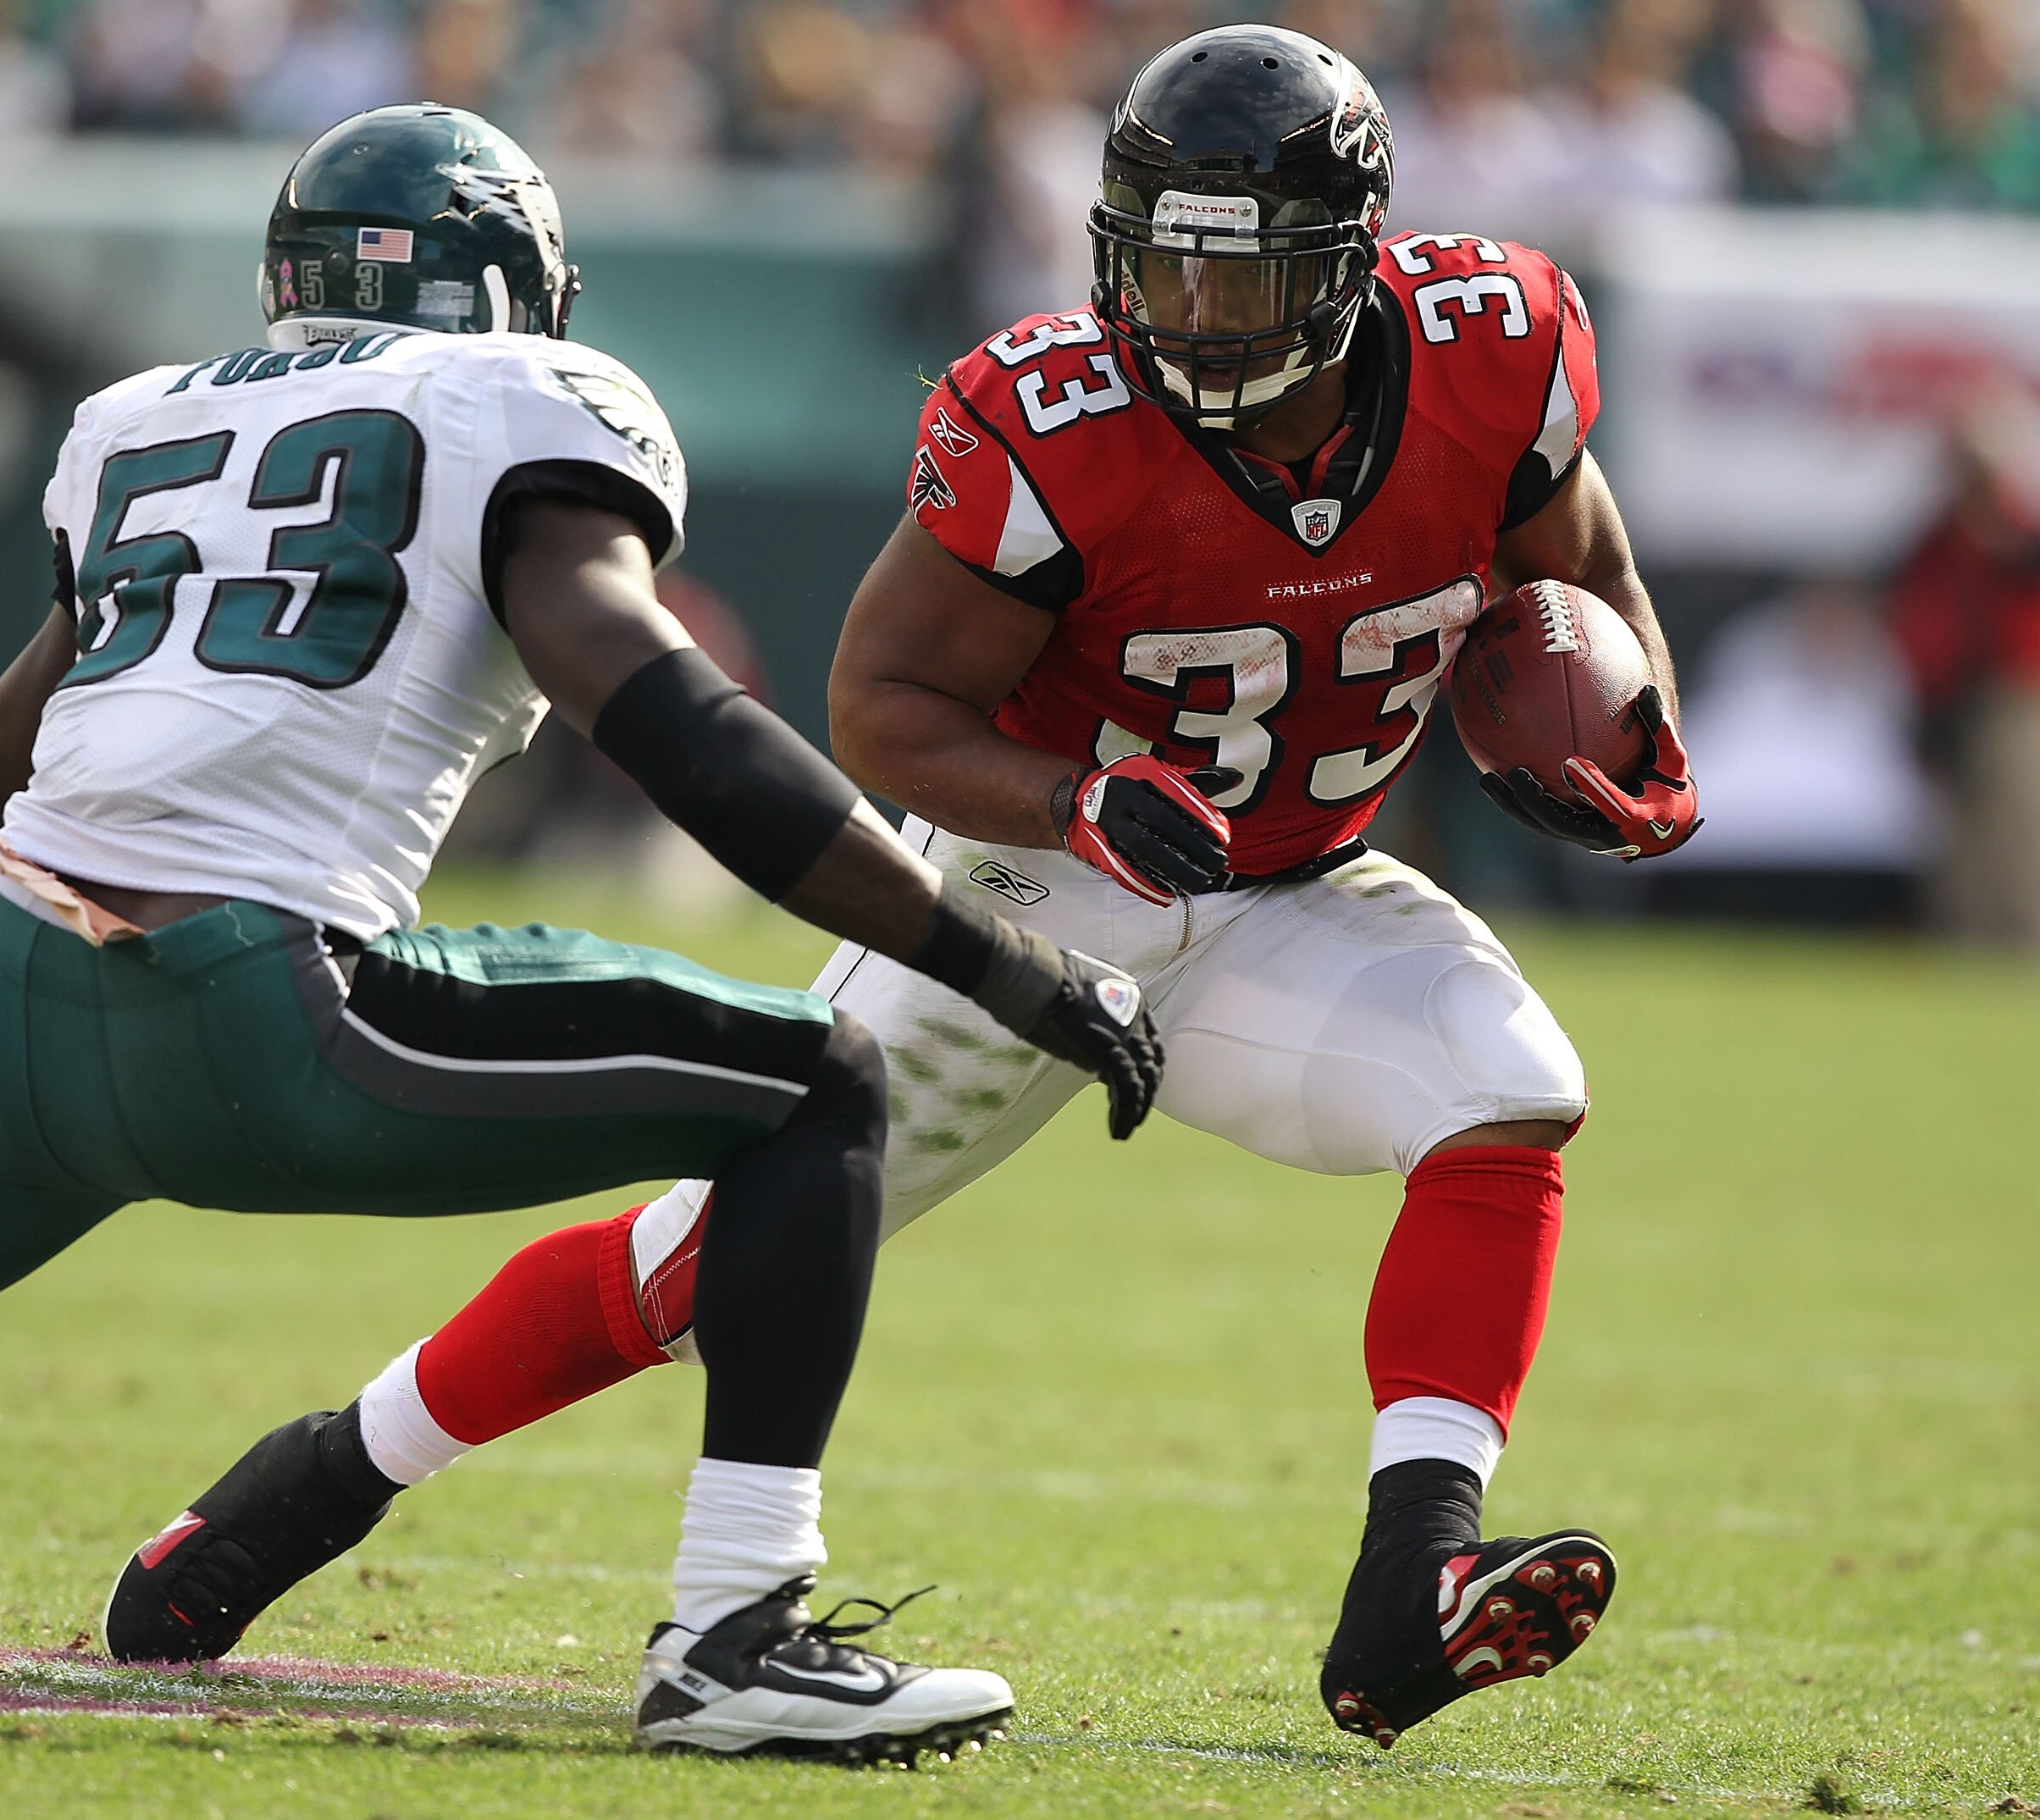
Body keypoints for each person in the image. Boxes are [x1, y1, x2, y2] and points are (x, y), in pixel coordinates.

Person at [0, 103, 1169, 1765]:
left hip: (3, 988)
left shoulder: (143, 418)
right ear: (520, 279)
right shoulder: (522, 401)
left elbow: (9, 730)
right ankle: (738, 1631)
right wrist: (1000, 962)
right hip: (259, 1011)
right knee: (821, 1081)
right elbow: (680, 729)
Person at [108, 31, 1711, 1754]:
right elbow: (877, 709)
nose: (1193, 312)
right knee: (708, 1264)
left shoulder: (1495, 350)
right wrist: (1075, 793)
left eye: (1243, 276)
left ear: (1354, 258)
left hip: (1291, 894)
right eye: (1162, 260)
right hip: (1029, 902)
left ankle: (1414, 1582)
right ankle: (309, 1484)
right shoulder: (1056, 421)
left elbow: (1587, 574)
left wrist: (1635, 741)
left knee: (1510, 1091)